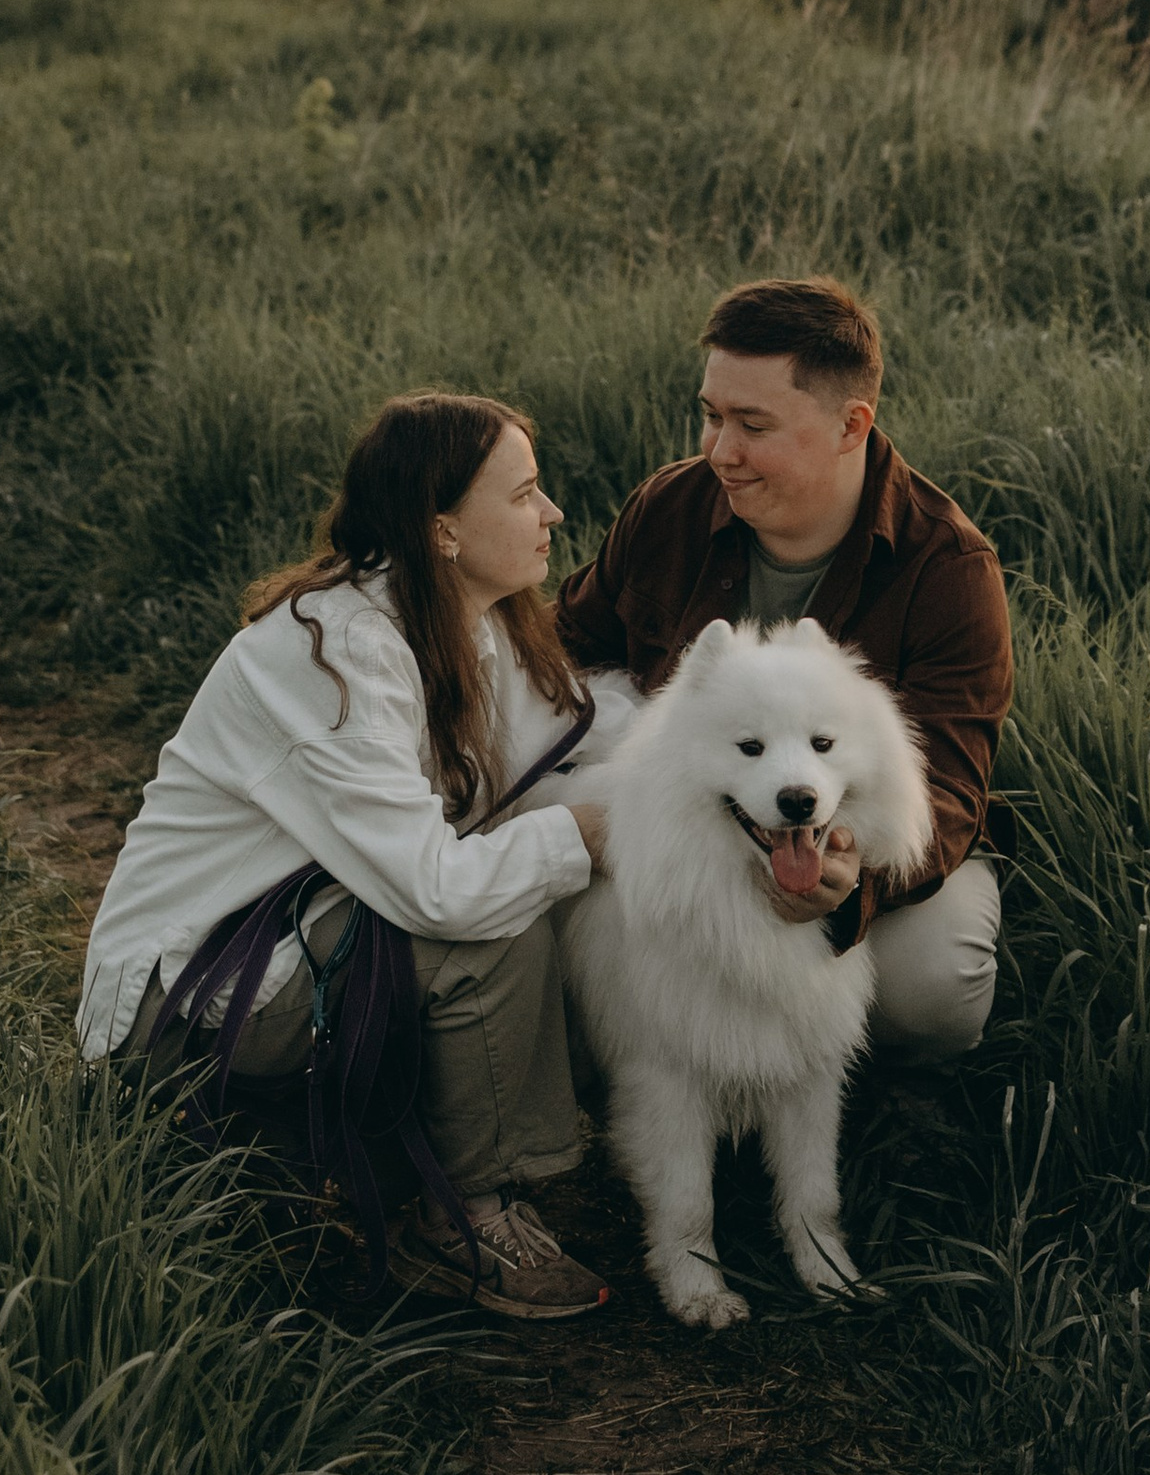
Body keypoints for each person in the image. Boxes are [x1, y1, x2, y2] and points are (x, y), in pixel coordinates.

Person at [78, 391, 613, 1317]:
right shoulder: (336, 653)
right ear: (443, 529)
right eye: (526, 493)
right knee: (495, 921)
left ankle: (373, 1143)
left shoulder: (461, 623)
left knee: (535, 875)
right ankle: (460, 1217)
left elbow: (563, 749)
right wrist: (585, 833)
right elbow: (438, 895)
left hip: (291, 937)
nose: (552, 513)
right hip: (185, 991)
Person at [557, 277, 1012, 1057]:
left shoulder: (948, 569)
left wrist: (851, 883)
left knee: (931, 992)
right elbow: (561, 652)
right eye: (711, 416)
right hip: (694, 833)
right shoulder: (670, 507)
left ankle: (889, 1112)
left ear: (850, 426)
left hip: (857, 848)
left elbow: (950, 791)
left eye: (753, 425)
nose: (718, 451)